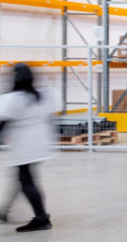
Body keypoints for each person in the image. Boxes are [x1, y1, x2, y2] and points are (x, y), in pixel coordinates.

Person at [0, 63, 56, 232]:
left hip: (25, 145)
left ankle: (42, 218)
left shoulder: (14, 98)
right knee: (22, 178)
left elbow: (4, 122)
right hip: (41, 143)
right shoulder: (42, 95)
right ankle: (4, 212)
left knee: (27, 181)